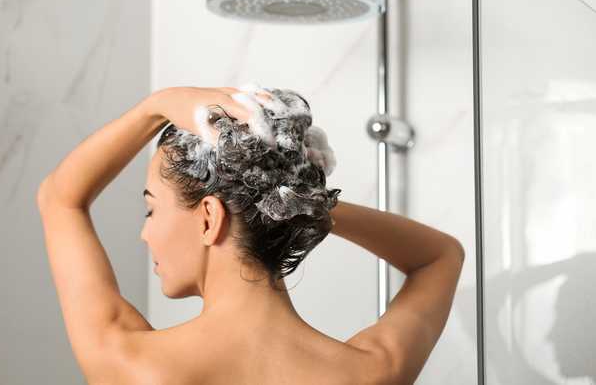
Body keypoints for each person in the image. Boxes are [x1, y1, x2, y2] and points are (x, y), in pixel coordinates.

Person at [36, 85, 465, 384]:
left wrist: (158, 104)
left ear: (208, 217)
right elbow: (440, 256)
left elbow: (60, 198)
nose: (145, 235)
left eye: (151, 209)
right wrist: (299, 203)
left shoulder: (131, 364)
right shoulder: (370, 372)